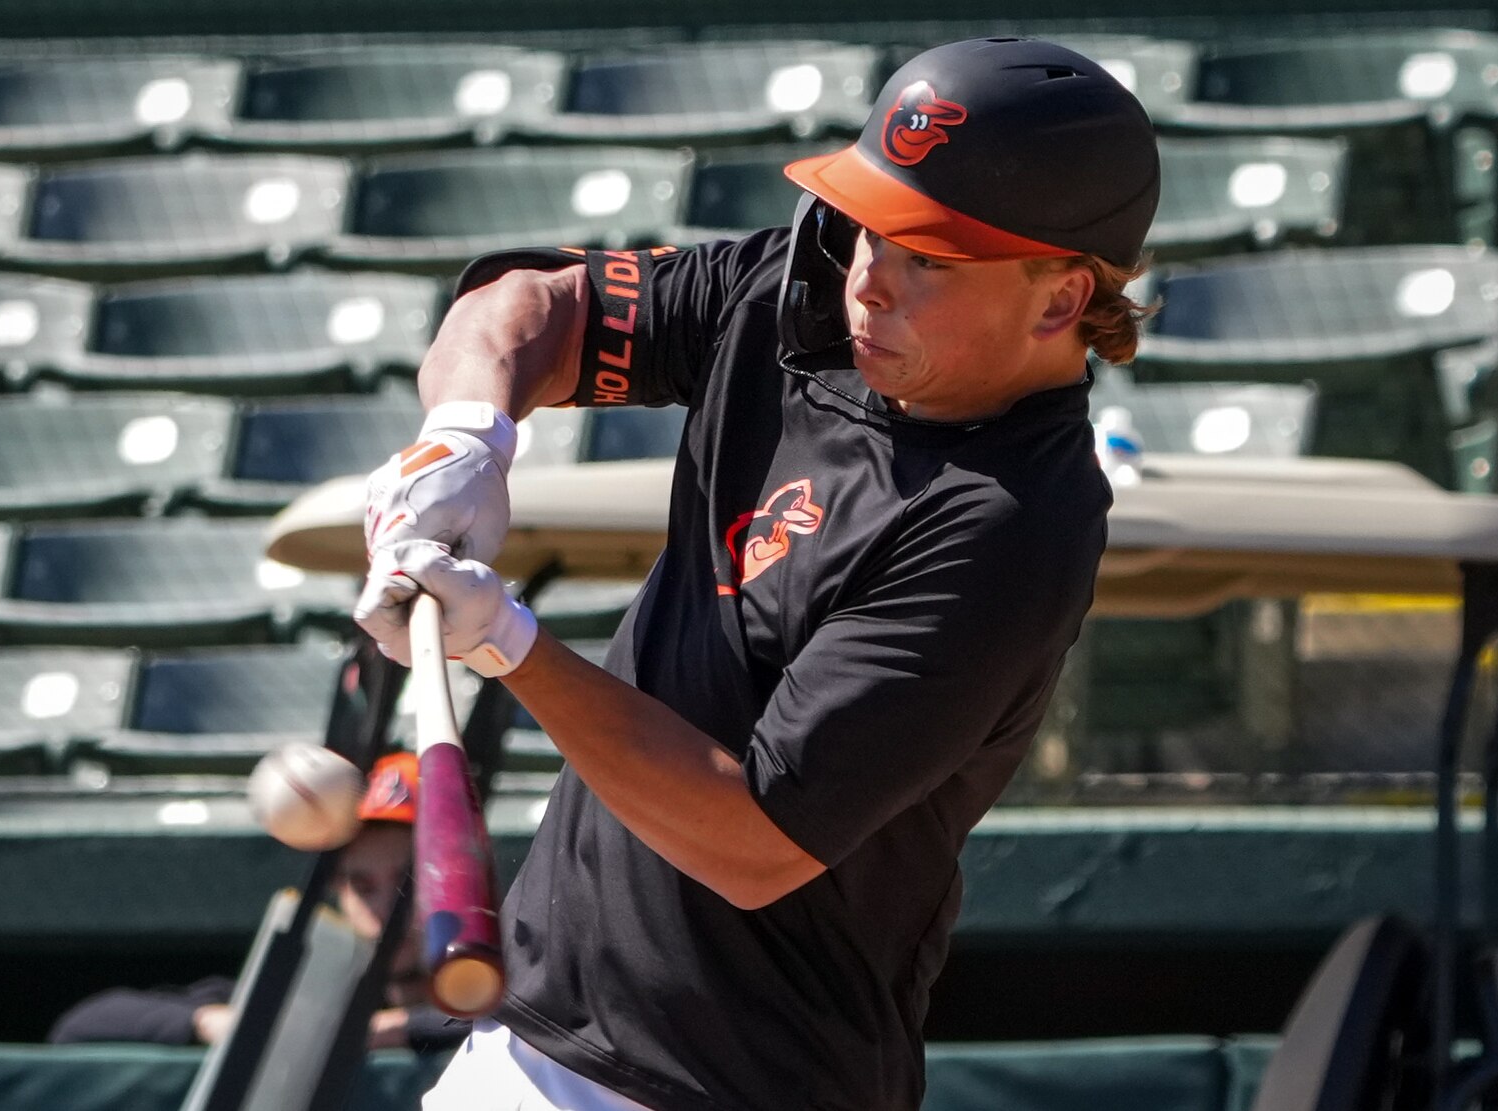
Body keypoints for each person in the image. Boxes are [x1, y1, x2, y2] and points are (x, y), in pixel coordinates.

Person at [352, 36, 1160, 1111]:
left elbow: (749, 839)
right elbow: (529, 306)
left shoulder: (1012, 521)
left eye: (929, 257)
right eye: (871, 224)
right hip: (536, 1038)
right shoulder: (804, 292)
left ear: (1059, 299)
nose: (870, 277)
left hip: (732, 1082)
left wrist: (511, 646)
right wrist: (464, 431)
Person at [48, 752, 469, 1055]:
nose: (385, 907)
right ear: (338, 893)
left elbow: (513, 1020)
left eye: (408, 881)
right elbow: (81, 1025)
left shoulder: (507, 975)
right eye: (362, 886)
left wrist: (397, 1030)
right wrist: (214, 1022)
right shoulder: (315, 992)